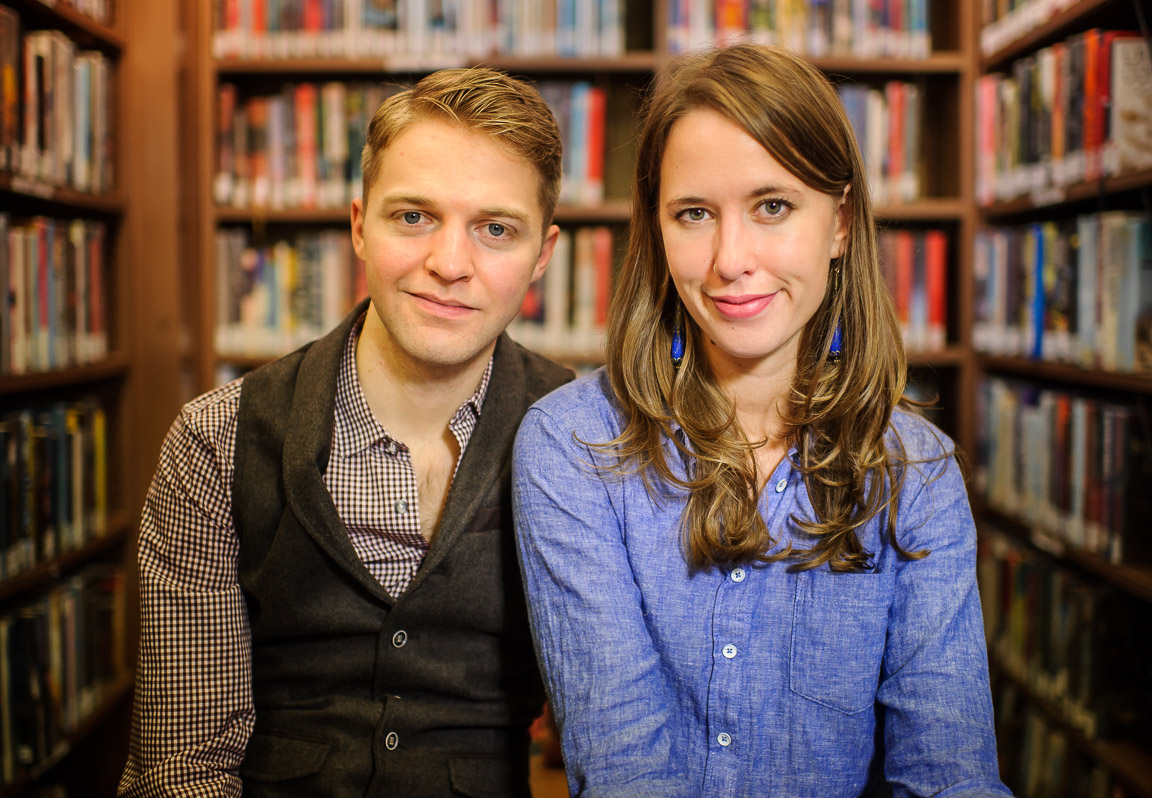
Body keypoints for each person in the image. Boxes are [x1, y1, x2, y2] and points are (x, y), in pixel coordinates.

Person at [512, 44, 1012, 797]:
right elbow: (623, 773)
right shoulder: (571, 447)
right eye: (694, 214)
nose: (730, 259)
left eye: (773, 206)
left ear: (840, 224)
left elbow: (947, 777)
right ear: (656, 230)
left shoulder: (920, 473)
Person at [119, 67, 572, 797]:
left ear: (543, 255)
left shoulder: (584, 440)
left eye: (495, 229)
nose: (449, 264)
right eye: (413, 217)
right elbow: (184, 762)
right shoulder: (216, 439)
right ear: (360, 226)